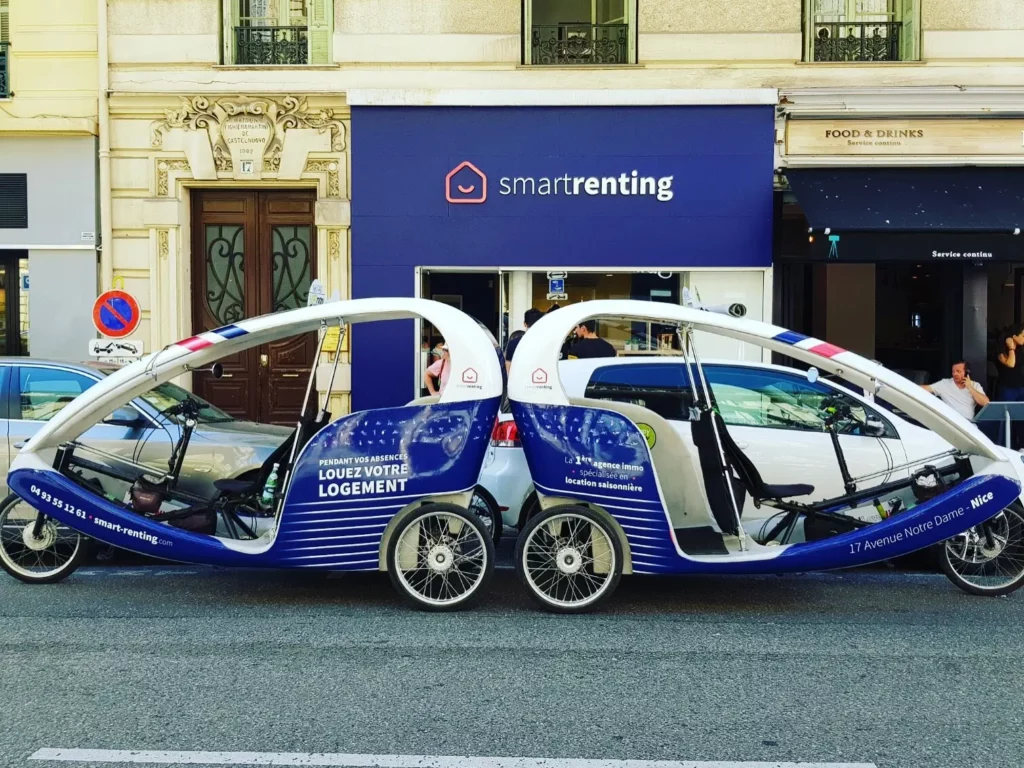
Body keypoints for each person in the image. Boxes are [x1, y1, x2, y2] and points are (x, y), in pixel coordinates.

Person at [920, 360, 990, 421]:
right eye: (953, 371)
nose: (955, 374)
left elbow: (986, 403)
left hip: (968, 424)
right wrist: (909, 385)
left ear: (967, 373)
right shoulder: (945, 383)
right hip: (950, 423)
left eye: (958, 371)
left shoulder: (975, 385)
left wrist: (970, 388)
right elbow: (927, 388)